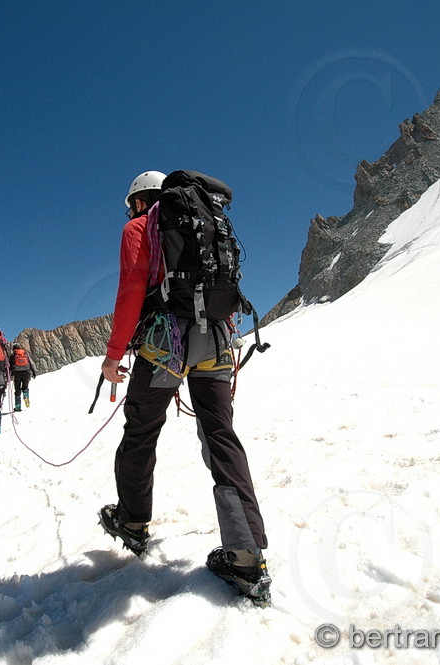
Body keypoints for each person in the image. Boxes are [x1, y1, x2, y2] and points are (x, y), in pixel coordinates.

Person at [98, 170, 271, 605]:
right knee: (220, 437)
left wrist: (114, 353)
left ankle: (133, 523)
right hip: (217, 339)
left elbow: (131, 290)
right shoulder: (206, 220)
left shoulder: (139, 226)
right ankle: (246, 559)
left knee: (141, 432)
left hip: (164, 344)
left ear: (139, 200)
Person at [10, 343, 37, 412]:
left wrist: (9, 375)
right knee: (25, 387)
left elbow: (9, 366)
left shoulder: (13, 355)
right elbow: (31, 363)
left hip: (17, 374)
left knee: (17, 390)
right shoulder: (25, 353)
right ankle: (26, 397)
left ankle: (18, 407)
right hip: (26, 372)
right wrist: (34, 372)